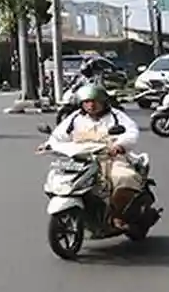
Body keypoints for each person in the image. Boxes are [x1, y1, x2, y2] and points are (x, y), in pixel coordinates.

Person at [47, 84, 142, 229]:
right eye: (86, 102)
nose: (90, 105)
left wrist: (120, 145)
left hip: (109, 158)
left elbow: (131, 132)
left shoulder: (116, 116)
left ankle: (117, 215)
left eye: (94, 101)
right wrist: (49, 144)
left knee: (124, 178)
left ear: (103, 102)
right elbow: (59, 135)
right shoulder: (75, 118)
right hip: (82, 160)